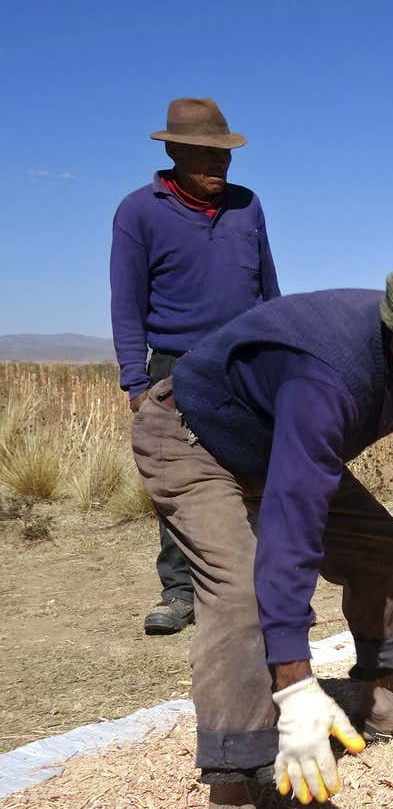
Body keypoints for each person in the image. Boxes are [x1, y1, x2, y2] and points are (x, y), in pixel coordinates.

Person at [131, 251, 393, 807]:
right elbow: (293, 521)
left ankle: (377, 697)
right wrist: (297, 684)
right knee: (239, 596)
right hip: (194, 440)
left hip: (278, 446)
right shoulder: (326, 374)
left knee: (387, 549)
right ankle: (239, 775)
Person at [110, 97, 282, 636]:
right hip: (174, 367)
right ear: (176, 151)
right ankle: (181, 592)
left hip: (244, 362)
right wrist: (136, 381)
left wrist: (281, 350)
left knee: (256, 472)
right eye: (205, 156)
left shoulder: (247, 205)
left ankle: (258, 586)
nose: (218, 166)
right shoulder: (139, 211)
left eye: (224, 155)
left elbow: (268, 285)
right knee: (181, 482)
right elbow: (126, 300)